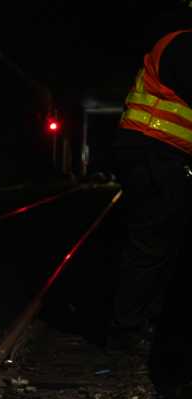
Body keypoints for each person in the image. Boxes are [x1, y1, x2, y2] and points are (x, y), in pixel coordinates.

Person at [109, 25, 192, 380]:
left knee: (161, 238)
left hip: (154, 150)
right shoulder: (185, 45)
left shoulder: (176, 41)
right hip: (155, 150)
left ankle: (138, 324)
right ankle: (126, 330)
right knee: (153, 240)